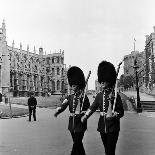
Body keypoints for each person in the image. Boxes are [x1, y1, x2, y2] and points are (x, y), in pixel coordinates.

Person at [82, 60, 124, 155]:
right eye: (102, 81)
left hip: (113, 127)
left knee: (110, 151)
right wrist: (85, 116)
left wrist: (115, 115)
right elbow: (92, 108)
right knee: (107, 150)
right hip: (102, 127)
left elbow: (121, 111)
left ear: (109, 81)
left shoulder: (116, 95)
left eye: (105, 81)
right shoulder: (99, 96)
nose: (102, 83)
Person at [54, 66, 90, 155]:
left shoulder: (84, 97)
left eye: (75, 85)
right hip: (72, 125)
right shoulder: (70, 97)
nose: (73, 87)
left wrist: (84, 113)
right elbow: (63, 105)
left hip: (80, 124)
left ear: (79, 85)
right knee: (78, 145)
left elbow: (89, 109)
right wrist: (58, 111)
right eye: (72, 85)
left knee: (76, 145)